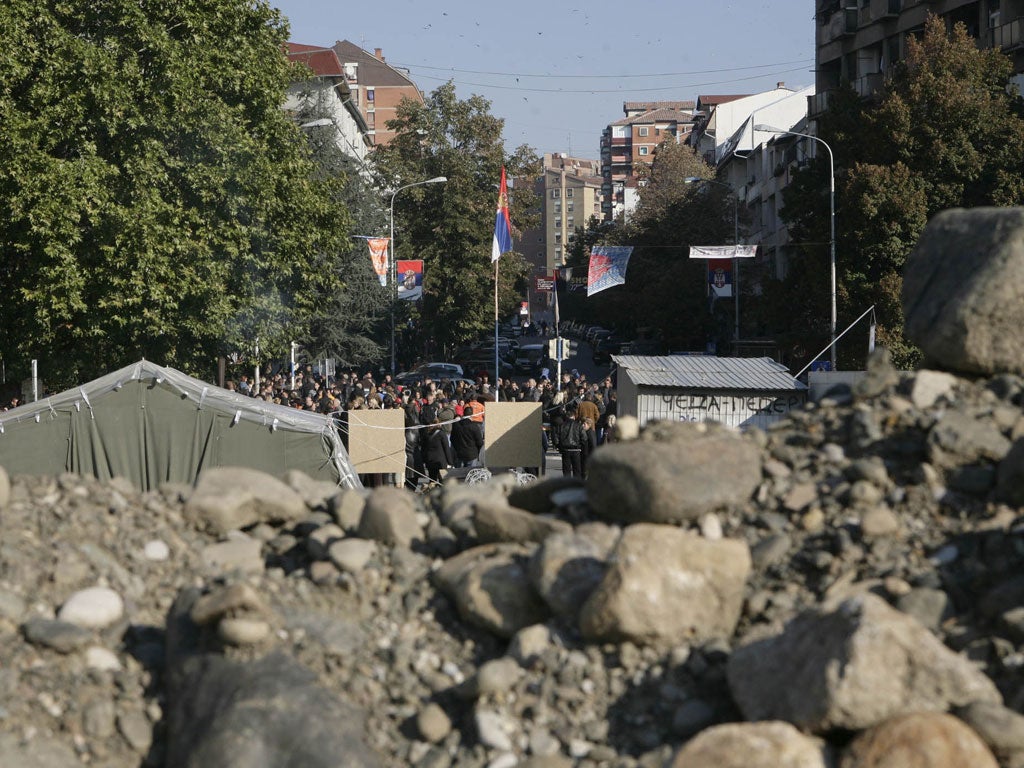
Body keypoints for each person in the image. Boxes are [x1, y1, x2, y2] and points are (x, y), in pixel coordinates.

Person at [556, 404, 587, 478]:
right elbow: (584, 438)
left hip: (565, 449)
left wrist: (559, 446)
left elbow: (556, 437)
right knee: (577, 470)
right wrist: (581, 446)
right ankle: (576, 486)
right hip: (576, 449)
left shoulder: (561, 425)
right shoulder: (578, 425)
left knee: (566, 471)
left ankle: (567, 486)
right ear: (574, 416)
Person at [423, 418, 453, 483]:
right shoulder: (441, 434)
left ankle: (432, 492)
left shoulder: (426, 434)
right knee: (442, 481)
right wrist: (450, 462)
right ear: (439, 424)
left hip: (430, 461)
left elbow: (423, 448)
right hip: (440, 461)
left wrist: (424, 460)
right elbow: (446, 448)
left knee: (432, 481)